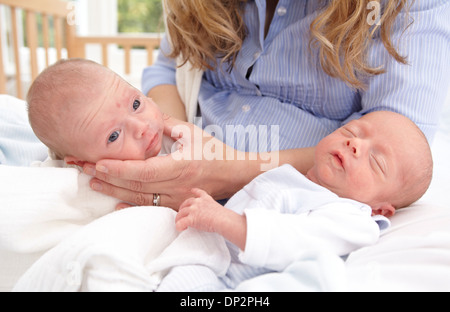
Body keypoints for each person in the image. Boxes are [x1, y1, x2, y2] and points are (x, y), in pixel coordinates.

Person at [82, 0, 449, 209]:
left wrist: (220, 172)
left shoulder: (405, 8)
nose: (356, 142)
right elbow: (168, 66)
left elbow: (398, 137)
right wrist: (176, 143)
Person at [158, 110, 432, 291]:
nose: (355, 144)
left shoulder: (353, 218)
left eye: (375, 160)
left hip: (234, 280)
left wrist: (226, 221)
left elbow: (300, 238)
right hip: (207, 250)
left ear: (380, 209)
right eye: (351, 131)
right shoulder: (296, 179)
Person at [27, 58, 174, 167]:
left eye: (136, 104)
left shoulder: (181, 139)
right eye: (114, 136)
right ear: (81, 163)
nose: (141, 127)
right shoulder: (82, 187)